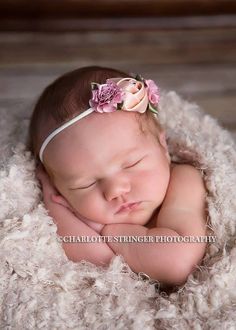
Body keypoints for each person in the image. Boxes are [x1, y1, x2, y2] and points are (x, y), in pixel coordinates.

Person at [27, 66, 207, 286]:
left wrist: (107, 231)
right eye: (86, 184)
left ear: (163, 147)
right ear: (60, 191)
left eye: (132, 164)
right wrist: (52, 204)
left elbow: (177, 263)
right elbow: (96, 265)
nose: (115, 190)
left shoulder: (184, 181)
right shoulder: (63, 206)